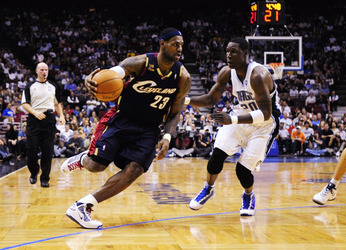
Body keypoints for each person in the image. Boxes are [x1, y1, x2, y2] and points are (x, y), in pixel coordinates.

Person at [60, 28, 191, 229]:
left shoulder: (183, 76)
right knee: (96, 166)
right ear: (163, 44)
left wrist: (167, 136)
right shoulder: (140, 63)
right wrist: (92, 79)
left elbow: (175, 111)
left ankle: (83, 206)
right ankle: (82, 159)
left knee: (135, 170)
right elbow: (113, 74)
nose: (180, 48)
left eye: (182, 44)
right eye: (175, 43)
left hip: (149, 129)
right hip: (123, 120)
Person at [186, 37, 280, 216]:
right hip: (240, 115)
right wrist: (185, 100)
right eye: (227, 51)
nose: (228, 55)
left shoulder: (258, 75)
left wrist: (232, 120)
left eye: (234, 51)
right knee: (217, 155)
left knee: (242, 170)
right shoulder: (226, 72)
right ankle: (208, 188)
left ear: (246, 53)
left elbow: (265, 114)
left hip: (264, 125)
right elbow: (210, 99)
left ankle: (249, 195)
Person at [21, 62, 65, 188]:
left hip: (49, 119)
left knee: (47, 151)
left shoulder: (53, 86)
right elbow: (24, 104)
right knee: (32, 149)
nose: (44, 72)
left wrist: (61, 116)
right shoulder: (30, 86)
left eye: (46, 69)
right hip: (34, 120)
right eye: (41, 70)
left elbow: (57, 104)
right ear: (36, 71)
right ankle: (34, 172)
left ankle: (45, 178)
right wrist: (35, 113)